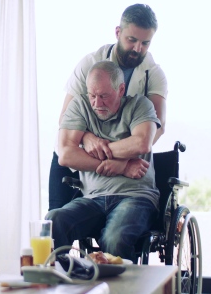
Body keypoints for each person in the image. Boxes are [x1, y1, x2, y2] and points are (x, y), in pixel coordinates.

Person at [48, 3, 167, 211]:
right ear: (118, 32)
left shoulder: (154, 74)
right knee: (55, 218)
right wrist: (87, 138)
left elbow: (158, 126)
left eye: (145, 43)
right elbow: (65, 117)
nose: (137, 48)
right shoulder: (90, 63)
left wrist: (121, 160)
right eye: (132, 40)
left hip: (128, 161)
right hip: (79, 153)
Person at [45, 61, 161, 261]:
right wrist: (122, 166)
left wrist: (99, 152)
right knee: (53, 220)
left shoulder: (140, 105)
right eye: (93, 95)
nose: (97, 103)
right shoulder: (80, 105)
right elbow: (65, 155)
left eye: (104, 96)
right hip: (92, 198)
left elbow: (142, 143)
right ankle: (62, 281)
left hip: (134, 197)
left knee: (115, 238)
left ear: (121, 89)